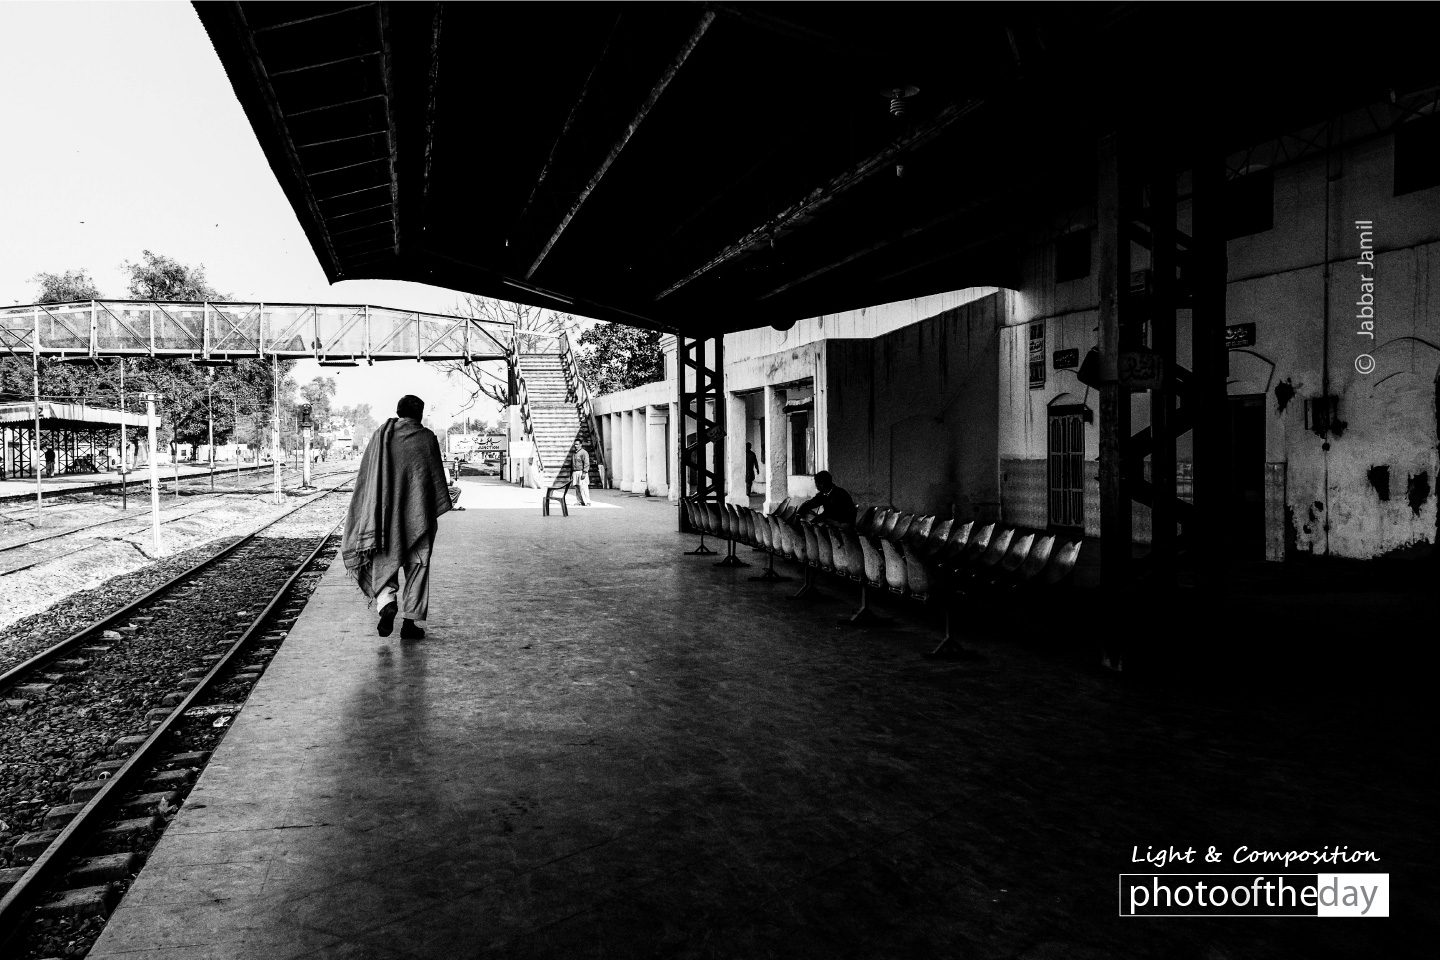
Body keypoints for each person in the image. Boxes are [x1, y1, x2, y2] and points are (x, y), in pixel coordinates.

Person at [341, 395, 453, 640]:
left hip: (384, 516)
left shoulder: (382, 436)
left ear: (398, 411)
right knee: (417, 567)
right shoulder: (427, 439)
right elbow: (434, 479)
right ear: (420, 415)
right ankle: (410, 624)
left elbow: (367, 478)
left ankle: (386, 603)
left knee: (385, 560)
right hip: (419, 515)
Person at [571, 440, 591, 506]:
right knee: (577, 487)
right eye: (575, 444)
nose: (575, 446)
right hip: (575, 472)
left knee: (584, 487)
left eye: (577, 444)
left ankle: (587, 501)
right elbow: (572, 464)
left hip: (581, 472)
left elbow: (586, 463)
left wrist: (584, 472)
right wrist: (571, 473)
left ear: (580, 445)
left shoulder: (584, 452)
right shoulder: (574, 453)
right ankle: (580, 501)